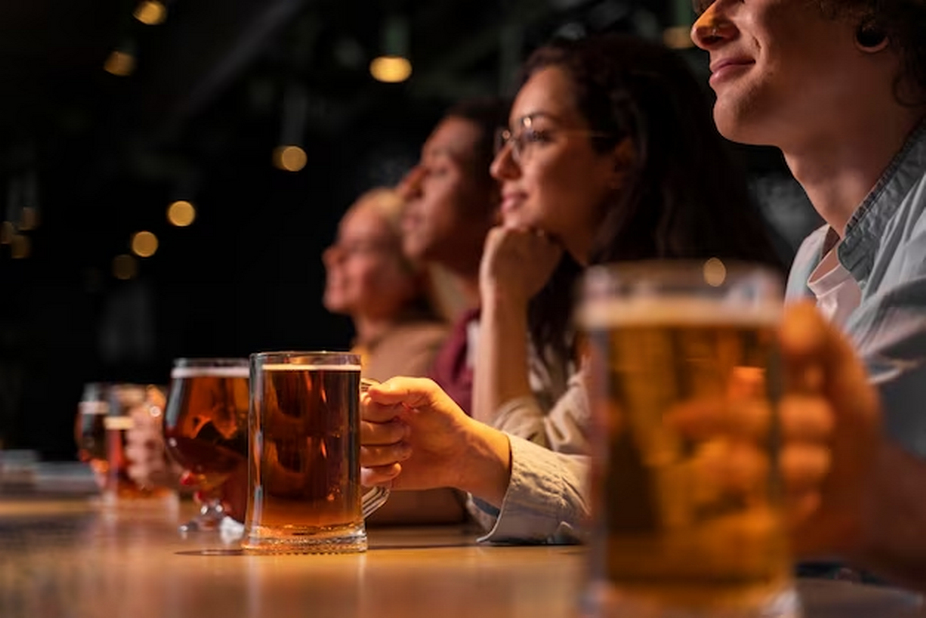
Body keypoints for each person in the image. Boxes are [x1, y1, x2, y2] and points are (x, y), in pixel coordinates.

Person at [471, 35, 782, 455]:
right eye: (506, 140)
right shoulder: (558, 299)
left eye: (535, 136)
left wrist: (502, 297)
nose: (501, 166)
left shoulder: (674, 309)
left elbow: (506, 483)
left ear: (619, 160)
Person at [398, 98, 518, 415]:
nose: (408, 189)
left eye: (438, 170)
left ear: (500, 194)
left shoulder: (538, 335)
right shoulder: (464, 335)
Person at [322, 187, 447, 383]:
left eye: (358, 247)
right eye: (340, 243)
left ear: (411, 267)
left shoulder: (429, 350)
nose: (333, 257)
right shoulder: (365, 351)